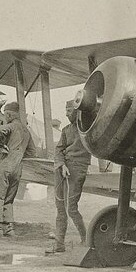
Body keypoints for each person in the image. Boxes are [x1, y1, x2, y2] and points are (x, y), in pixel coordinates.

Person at [0, 101, 39, 237]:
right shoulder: (26, 131)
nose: (5, 117)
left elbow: (0, 130)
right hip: (17, 168)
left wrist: (1, 145)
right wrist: (19, 154)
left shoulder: (11, 126)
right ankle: (9, 228)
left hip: (5, 165)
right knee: (9, 198)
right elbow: (32, 152)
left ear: (9, 115)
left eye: (5, 115)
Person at [51, 99, 91, 253]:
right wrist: (62, 165)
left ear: (77, 111)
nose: (66, 114)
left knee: (71, 208)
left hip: (77, 169)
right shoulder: (66, 130)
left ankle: (86, 239)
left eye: (69, 111)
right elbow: (58, 150)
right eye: (66, 111)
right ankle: (59, 244)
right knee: (60, 207)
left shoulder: (87, 130)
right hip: (62, 168)